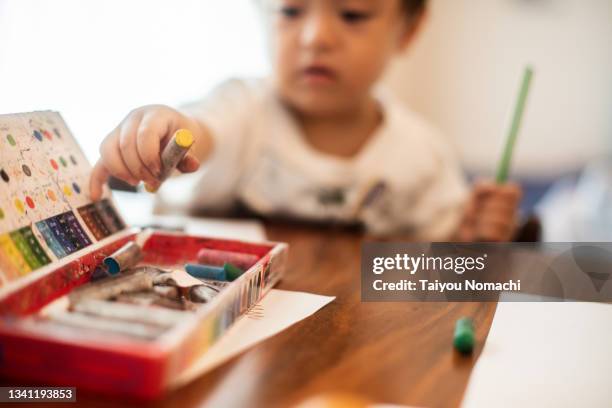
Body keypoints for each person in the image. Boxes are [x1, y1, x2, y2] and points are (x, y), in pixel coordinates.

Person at [89, 0, 521, 241]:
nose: (315, 37)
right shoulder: (243, 107)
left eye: (352, 15)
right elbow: (200, 131)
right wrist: (163, 127)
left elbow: (439, 272)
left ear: (408, 29)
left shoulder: (423, 154)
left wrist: (473, 239)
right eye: (291, 11)